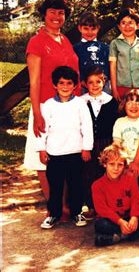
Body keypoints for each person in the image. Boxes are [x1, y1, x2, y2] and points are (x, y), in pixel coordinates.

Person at [24, 0, 80, 200]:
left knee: (65, 154)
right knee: (43, 158)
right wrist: (38, 113)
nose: (57, 16)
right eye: (52, 12)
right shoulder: (37, 42)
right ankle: (53, 204)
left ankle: (65, 204)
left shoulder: (65, 40)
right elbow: (34, 81)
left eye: (61, 12)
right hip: (46, 107)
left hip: (68, 107)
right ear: (44, 14)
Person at [37, 66, 93, 229]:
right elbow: (42, 129)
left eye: (69, 83)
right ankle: (54, 214)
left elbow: (87, 126)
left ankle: (77, 212)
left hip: (75, 152)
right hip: (55, 153)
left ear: (75, 85)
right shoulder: (48, 105)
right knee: (56, 186)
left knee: (76, 184)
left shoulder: (80, 104)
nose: (65, 87)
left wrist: (86, 148)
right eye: (61, 83)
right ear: (55, 85)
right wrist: (42, 149)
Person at [81, 66, 119, 219]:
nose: (95, 85)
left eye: (98, 81)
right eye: (91, 82)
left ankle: (109, 206)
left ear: (104, 82)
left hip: (106, 142)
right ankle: (91, 205)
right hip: (88, 143)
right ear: (85, 84)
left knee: (106, 173)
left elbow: (115, 124)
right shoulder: (81, 102)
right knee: (89, 174)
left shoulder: (111, 102)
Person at [92, 144, 139, 246]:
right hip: (112, 220)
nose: (116, 168)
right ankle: (128, 234)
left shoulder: (130, 179)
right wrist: (120, 222)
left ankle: (115, 236)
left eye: (120, 165)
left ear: (124, 165)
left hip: (129, 217)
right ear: (104, 164)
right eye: (112, 164)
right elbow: (101, 209)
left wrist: (134, 217)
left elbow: (136, 199)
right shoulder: (97, 185)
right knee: (101, 224)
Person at [109, 8, 139, 101]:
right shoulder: (115, 43)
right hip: (122, 86)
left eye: (131, 22)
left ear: (137, 25)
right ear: (119, 26)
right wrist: (114, 89)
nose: (127, 26)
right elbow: (113, 67)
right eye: (123, 23)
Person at [112, 89, 139, 177]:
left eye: (138, 103)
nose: (134, 106)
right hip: (124, 157)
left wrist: (135, 163)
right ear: (124, 105)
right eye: (130, 103)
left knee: (132, 175)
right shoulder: (120, 121)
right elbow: (116, 144)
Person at [73, 11, 111, 94]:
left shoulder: (105, 47)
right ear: (80, 28)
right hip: (84, 87)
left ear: (98, 28)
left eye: (93, 29)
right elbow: (74, 67)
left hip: (103, 86)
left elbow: (108, 66)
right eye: (86, 29)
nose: (89, 32)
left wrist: (106, 77)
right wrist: (81, 79)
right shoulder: (75, 48)